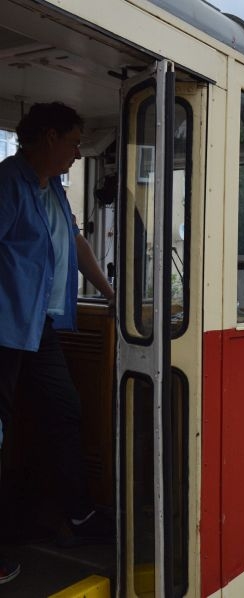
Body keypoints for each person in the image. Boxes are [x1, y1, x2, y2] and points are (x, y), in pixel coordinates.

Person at [0, 102, 115, 562]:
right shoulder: (9, 182)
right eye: (73, 142)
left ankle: (76, 513)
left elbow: (76, 241)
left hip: (40, 327)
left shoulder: (52, 191)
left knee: (64, 411)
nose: (77, 152)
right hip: (6, 326)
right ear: (48, 137)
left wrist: (110, 294)